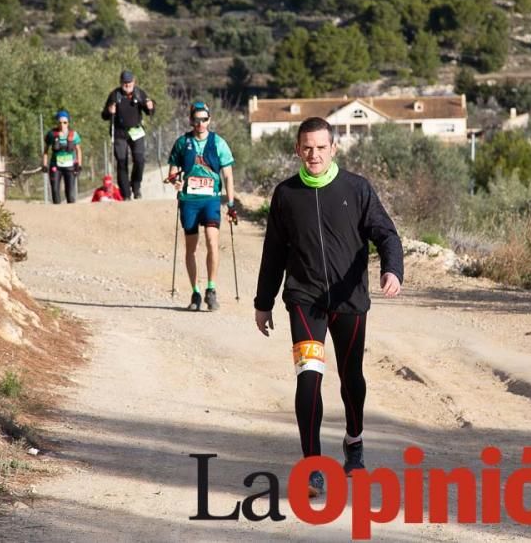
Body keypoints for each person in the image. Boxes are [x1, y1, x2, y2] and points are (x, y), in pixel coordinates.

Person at [254, 117, 403, 498]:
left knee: (352, 377)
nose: (314, 154)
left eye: (321, 147)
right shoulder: (286, 195)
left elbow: (386, 234)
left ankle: (354, 442)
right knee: (309, 377)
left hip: (350, 300)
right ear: (297, 149)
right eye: (307, 147)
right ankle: (313, 464)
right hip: (305, 301)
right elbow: (273, 252)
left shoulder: (356, 189)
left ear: (333, 148)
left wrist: (392, 270)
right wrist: (263, 302)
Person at [166, 101, 237, 311]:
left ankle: (211, 289)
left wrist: (231, 204)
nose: (200, 124)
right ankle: (195, 292)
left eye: (204, 119)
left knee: (212, 241)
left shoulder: (219, 143)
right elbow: (172, 171)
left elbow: (228, 175)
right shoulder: (182, 142)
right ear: (191, 120)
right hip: (189, 200)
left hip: (210, 199)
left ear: (209, 120)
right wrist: (174, 181)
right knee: (191, 248)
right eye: (196, 120)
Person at [102, 69, 154, 200]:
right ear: (120, 82)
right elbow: (104, 115)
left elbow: (149, 112)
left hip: (136, 131)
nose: (127, 85)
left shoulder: (139, 93)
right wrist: (109, 111)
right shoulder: (114, 95)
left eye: (129, 82)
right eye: (125, 82)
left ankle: (136, 186)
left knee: (139, 159)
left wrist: (150, 106)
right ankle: (125, 193)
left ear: (134, 82)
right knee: (121, 161)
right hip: (120, 133)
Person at [42, 109, 82, 204]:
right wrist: (44, 164)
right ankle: (57, 213)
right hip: (56, 166)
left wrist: (79, 165)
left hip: (70, 166)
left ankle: (71, 213)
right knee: (55, 191)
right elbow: (46, 150)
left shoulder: (74, 134)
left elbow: (78, 150)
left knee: (70, 193)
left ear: (68, 122)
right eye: (60, 122)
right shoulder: (51, 134)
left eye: (65, 122)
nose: (62, 125)